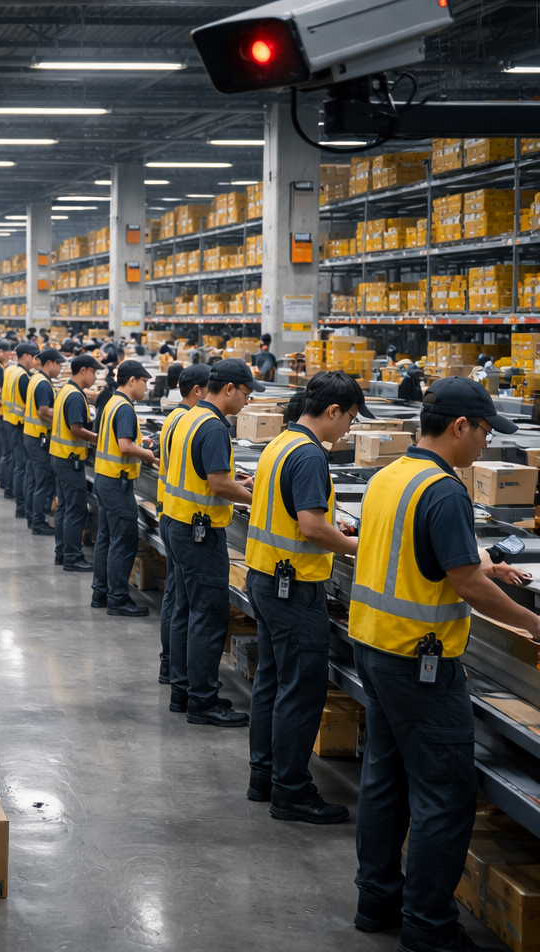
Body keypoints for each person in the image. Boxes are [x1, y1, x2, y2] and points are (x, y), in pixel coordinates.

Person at [350, 377, 540, 950]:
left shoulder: (390, 476)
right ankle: (429, 927)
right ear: (460, 426)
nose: (486, 443)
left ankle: (376, 901)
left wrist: (479, 563)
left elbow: (419, 556)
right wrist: (532, 623)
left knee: (385, 780)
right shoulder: (446, 490)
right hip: (421, 662)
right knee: (443, 793)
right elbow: (464, 586)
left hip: (376, 648)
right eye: (484, 431)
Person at [242, 370, 364, 826]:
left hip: (268, 578)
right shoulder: (310, 455)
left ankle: (265, 776)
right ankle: (291, 792)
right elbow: (312, 527)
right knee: (301, 689)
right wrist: (363, 547)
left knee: (272, 682)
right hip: (292, 589)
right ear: (332, 411)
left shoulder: (280, 442)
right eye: (350, 418)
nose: (349, 428)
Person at [162, 357, 260, 727]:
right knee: (208, 615)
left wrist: (238, 481)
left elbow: (200, 470)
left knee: (187, 610)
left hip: (178, 522)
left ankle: (183, 691)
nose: (247, 402)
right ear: (229, 389)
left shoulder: (189, 417)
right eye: (246, 394)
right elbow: (218, 485)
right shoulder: (215, 427)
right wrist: (261, 497)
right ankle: (203, 702)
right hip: (199, 533)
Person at [157, 363, 210, 685]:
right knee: (183, 603)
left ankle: (170, 665)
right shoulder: (190, 421)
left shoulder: (178, 419)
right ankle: (173, 667)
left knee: (176, 599)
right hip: (185, 519)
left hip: (172, 511)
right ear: (198, 391)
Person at [91, 360, 157, 616]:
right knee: (124, 540)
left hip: (105, 479)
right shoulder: (125, 408)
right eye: (144, 382)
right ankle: (118, 599)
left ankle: (101, 592)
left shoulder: (111, 402)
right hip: (117, 483)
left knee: (106, 538)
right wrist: (149, 455)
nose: (146, 387)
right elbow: (125, 446)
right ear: (132, 380)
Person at [49, 354, 100, 572]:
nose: (95, 376)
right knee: (75, 509)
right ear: (83, 371)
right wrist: (103, 439)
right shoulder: (75, 396)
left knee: (65, 506)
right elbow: (76, 429)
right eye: (94, 372)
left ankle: (62, 552)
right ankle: (71, 556)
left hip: (59, 456)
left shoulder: (66, 391)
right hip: (70, 460)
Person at [24, 348, 61, 537]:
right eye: (59, 364)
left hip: (31, 436)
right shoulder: (44, 384)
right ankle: (39, 522)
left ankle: (33, 518)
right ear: (49, 363)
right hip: (38, 437)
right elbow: (43, 411)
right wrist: (63, 412)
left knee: (35, 479)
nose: (61, 368)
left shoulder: (36, 379)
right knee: (44, 482)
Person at [0, 343, 28, 506]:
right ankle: (20, 503)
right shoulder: (22, 375)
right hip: (17, 423)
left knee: (11, 458)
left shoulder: (10, 370)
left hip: (8, 418)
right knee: (20, 464)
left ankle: (9, 489)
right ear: (26, 356)